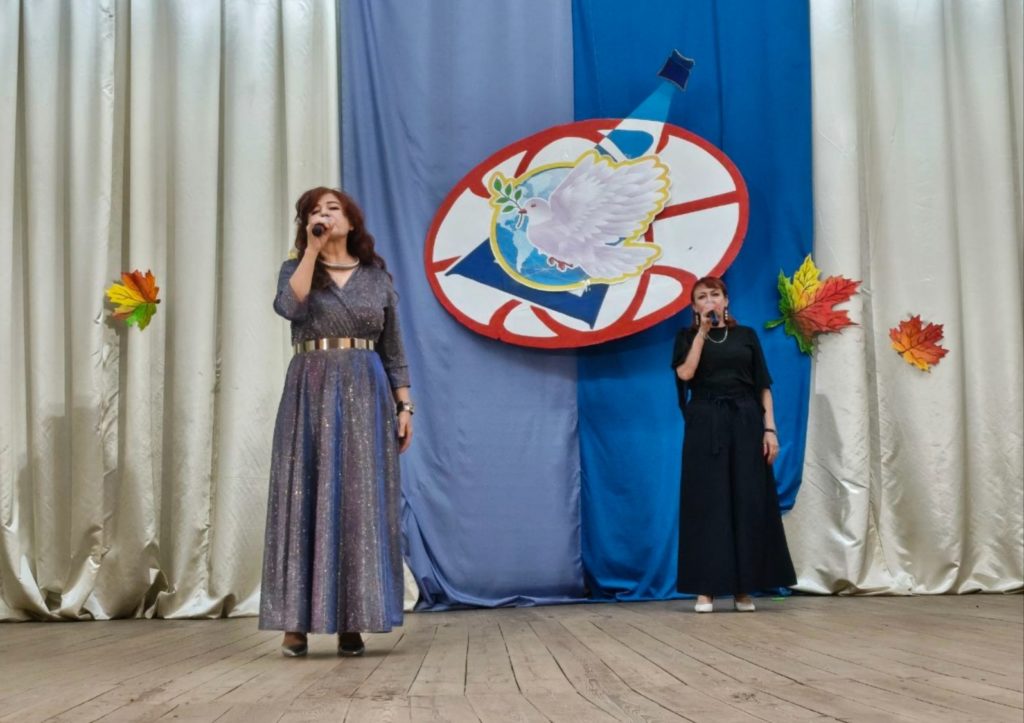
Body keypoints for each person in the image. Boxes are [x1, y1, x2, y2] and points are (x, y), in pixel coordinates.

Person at [259, 187, 413, 656]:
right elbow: (290, 307)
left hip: (367, 390)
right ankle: (295, 622)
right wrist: (310, 250)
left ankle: (353, 618)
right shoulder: (297, 269)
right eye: (314, 211)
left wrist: (405, 407)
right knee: (303, 495)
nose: (323, 215)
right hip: (311, 387)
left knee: (358, 500)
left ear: (351, 220)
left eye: (332, 208)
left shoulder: (377, 278)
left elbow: (393, 348)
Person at [671, 276, 795, 612]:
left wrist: (770, 430)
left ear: (726, 300)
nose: (709, 300)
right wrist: (701, 333)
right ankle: (706, 589)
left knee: (747, 499)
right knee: (707, 502)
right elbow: (685, 374)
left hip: (745, 419)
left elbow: (762, 385)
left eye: (715, 294)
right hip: (706, 421)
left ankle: (744, 588)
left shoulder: (746, 336)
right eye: (702, 296)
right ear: (694, 306)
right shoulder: (686, 337)